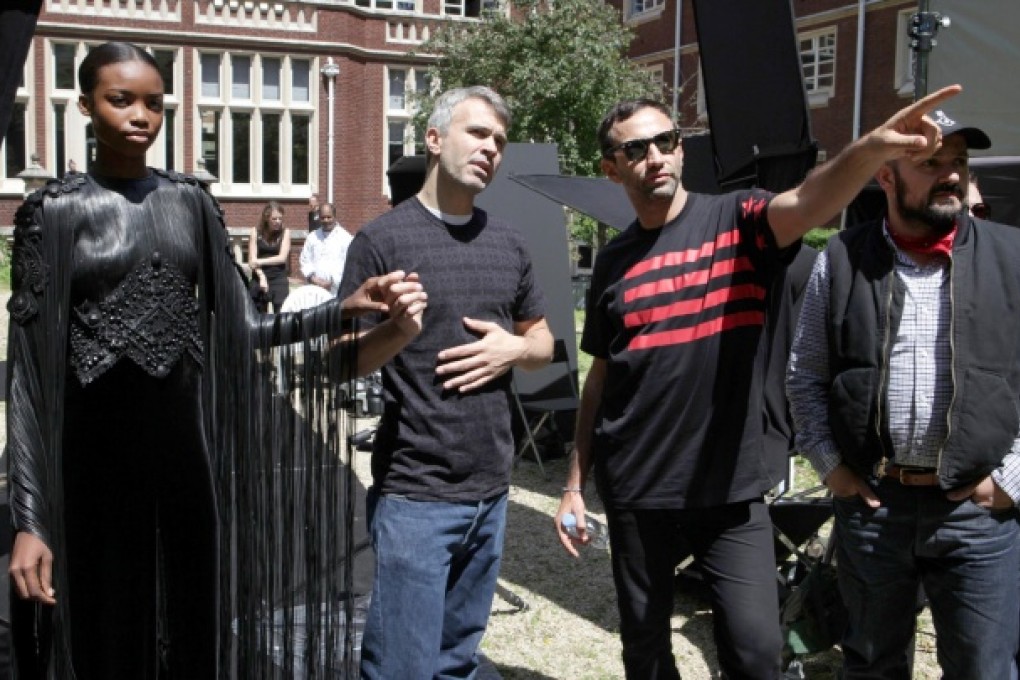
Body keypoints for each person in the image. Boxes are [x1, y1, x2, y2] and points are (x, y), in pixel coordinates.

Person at [4, 41, 426, 680]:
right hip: (90, 468)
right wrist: (30, 519)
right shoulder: (54, 213)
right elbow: (28, 378)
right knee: (102, 630)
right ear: (86, 105)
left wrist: (340, 310)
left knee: (190, 625)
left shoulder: (191, 204)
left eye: (154, 103)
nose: (141, 116)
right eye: (121, 100)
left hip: (184, 464)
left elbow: (244, 327)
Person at [555, 86, 962, 679]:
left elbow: (809, 201)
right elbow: (601, 377)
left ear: (681, 149)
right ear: (612, 169)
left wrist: (872, 149)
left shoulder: (738, 220)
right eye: (636, 149)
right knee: (644, 648)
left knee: (756, 651)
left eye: (666, 141)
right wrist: (574, 481)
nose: (655, 157)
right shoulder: (614, 261)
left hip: (731, 488)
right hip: (636, 487)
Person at [787, 109, 1020, 679]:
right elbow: (805, 374)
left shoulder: (1013, 257)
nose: (951, 174)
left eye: (958, 161)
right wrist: (831, 466)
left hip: (976, 515)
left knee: (984, 670)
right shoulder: (842, 259)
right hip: (875, 509)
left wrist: (1011, 481)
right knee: (871, 666)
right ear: (887, 176)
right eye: (931, 162)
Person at [338, 85, 554, 680]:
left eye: (500, 141)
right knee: (401, 667)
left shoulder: (510, 242)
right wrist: (397, 333)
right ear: (434, 139)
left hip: (492, 492)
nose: (491, 149)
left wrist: (515, 348)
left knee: (456, 662)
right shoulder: (382, 241)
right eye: (477, 133)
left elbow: (544, 344)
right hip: (416, 496)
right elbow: (336, 364)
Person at [248, 200, 292, 312]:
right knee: (258, 314)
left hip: (278, 277)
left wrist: (260, 261)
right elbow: (252, 260)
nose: (278, 222)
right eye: (274, 219)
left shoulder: (285, 232)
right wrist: (262, 277)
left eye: (280, 219)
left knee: (282, 313)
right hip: (259, 275)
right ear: (266, 218)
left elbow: (282, 258)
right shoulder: (255, 232)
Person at [299, 201, 351, 295]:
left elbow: (349, 264)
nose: (326, 220)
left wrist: (332, 282)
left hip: (336, 291)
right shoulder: (312, 237)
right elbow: (305, 260)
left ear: (335, 217)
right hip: (314, 289)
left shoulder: (345, 238)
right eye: (323, 217)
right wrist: (313, 278)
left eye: (329, 217)